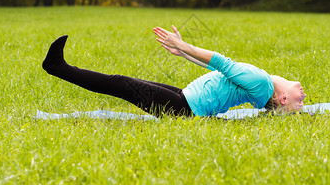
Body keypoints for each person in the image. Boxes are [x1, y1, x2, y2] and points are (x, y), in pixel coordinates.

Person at [42, 26, 306, 118]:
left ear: (283, 100)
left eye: (300, 101)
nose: (303, 96)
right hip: (184, 99)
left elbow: (222, 62)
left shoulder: (262, 83)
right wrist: (184, 54)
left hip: (183, 108)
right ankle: (59, 67)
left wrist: (184, 45)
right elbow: (221, 72)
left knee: (119, 84)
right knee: (122, 83)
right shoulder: (262, 85)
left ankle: (57, 68)